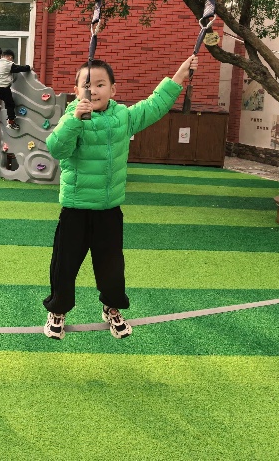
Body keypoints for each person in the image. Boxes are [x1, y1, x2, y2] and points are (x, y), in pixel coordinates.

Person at [42, 55, 199, 340]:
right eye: (87, 85)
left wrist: (179, 76)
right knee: (64, 266)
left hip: (109, 210)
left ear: (113, 90)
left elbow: (155, 105)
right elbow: (56, 149)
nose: (94, 90)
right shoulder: (71, 117)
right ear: (76, 91)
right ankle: (58, 310)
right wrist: (75, 120)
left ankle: (111, 307)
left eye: (100, 84)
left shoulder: (123, 118)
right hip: (75, 209)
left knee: (112, 267)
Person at [0, 48, 31, 131]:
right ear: (10, 57)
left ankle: (9, 118)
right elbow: (19, 68)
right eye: (12, 59)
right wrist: (29, 67)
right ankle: (11, 122)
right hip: (3, 86)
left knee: (7, 102)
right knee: (10, 104)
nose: (12, 61)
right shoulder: (8, 64)